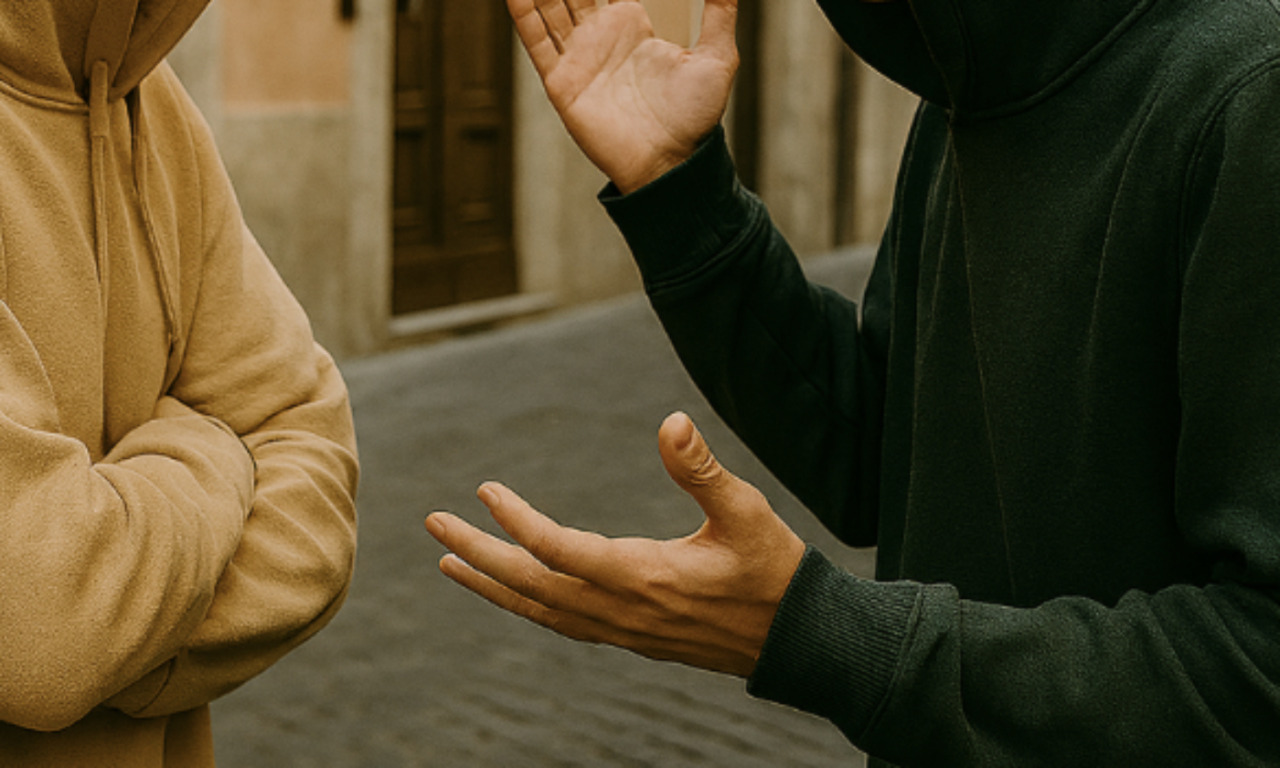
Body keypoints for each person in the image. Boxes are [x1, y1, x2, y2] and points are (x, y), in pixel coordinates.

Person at [426, 0, 1280, 764]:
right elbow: (878, 454)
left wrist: (820, 635)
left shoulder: (1249, 91)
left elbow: (1257, 672)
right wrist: (678, 195)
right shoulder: (961, 90)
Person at [0, 1, 358, 765]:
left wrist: (112, 623)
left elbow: (311, 464)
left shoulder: (154, 101)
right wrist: (213, 443)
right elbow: (44, 626)